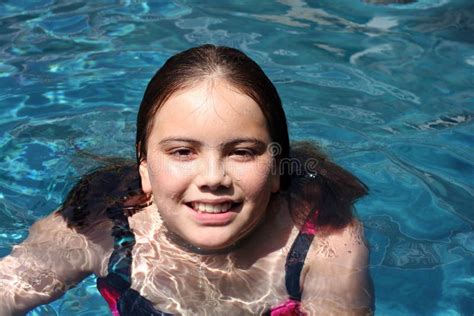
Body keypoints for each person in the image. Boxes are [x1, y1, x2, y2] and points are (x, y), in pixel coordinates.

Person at [0, 44, 373, 315]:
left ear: (277, 167)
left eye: (242, 152)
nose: (213, 178)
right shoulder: (102, 226)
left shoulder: (324, 242)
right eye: (182, 152)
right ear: (144, 166)